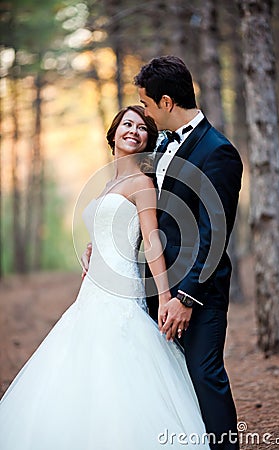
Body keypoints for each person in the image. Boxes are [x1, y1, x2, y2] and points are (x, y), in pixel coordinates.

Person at [0, 105, 211, 450]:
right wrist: (93, 246)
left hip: (121, 296)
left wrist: (165, 296)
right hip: (90, 295)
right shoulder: (109, 182)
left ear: (147, 141)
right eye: (127, 124)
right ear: (113, 134)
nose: (134, 130)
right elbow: (110, 226)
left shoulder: (142, 183)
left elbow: (152, 239)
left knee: (119, 369)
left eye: (142, 127)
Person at [84, 56, 243, 449]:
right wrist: (106, 241)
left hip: (197, 293)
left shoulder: (217, 151)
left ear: (167, 102)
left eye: (149, 105)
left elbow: (214, 233)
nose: (147, 114)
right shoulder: (159, 149)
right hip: (153, 289)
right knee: (164, 381)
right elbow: (146, 217)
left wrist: (185, 297)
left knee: (204, 377)